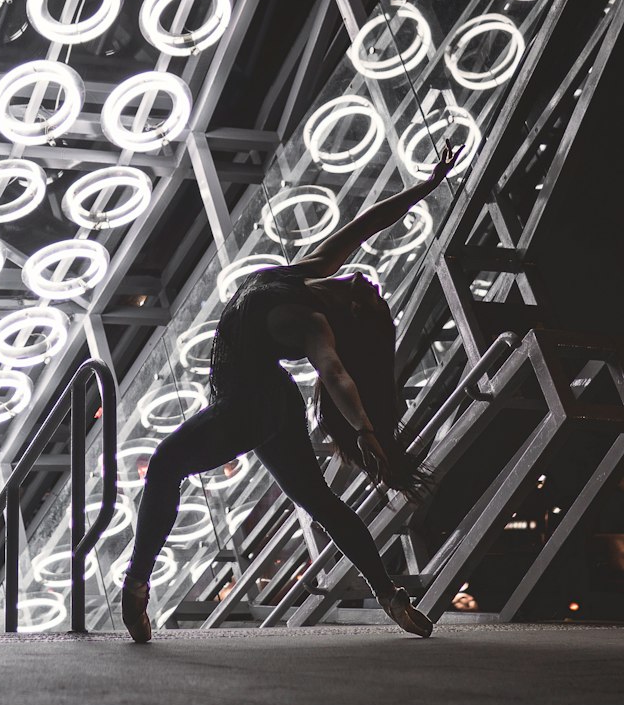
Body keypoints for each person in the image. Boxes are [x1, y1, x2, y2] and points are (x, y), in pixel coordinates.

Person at [120, 140, 465, 644]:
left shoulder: (312, 321)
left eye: (372, 299)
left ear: (353, 314)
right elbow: (367, 224)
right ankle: (389, 595)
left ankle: (137, 582)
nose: (372, 286)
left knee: (168, 461)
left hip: (253, 404)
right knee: (320, 502)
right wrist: (425, 186)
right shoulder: (310, 272)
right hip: (269, 406)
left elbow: (334, 374)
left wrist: (365, 428)